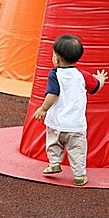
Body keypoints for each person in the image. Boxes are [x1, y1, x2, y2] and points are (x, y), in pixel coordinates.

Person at [34, 34, 107, 186]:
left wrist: (43, 108)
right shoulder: (82, 75)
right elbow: (95, 88)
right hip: (76, 125)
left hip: (56, 123)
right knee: (77, 151)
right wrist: (100, 80)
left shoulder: (55, 75)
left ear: (57, 59)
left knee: (53, 144)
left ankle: (54, 163)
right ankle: (79, 176)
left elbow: (52, 94)